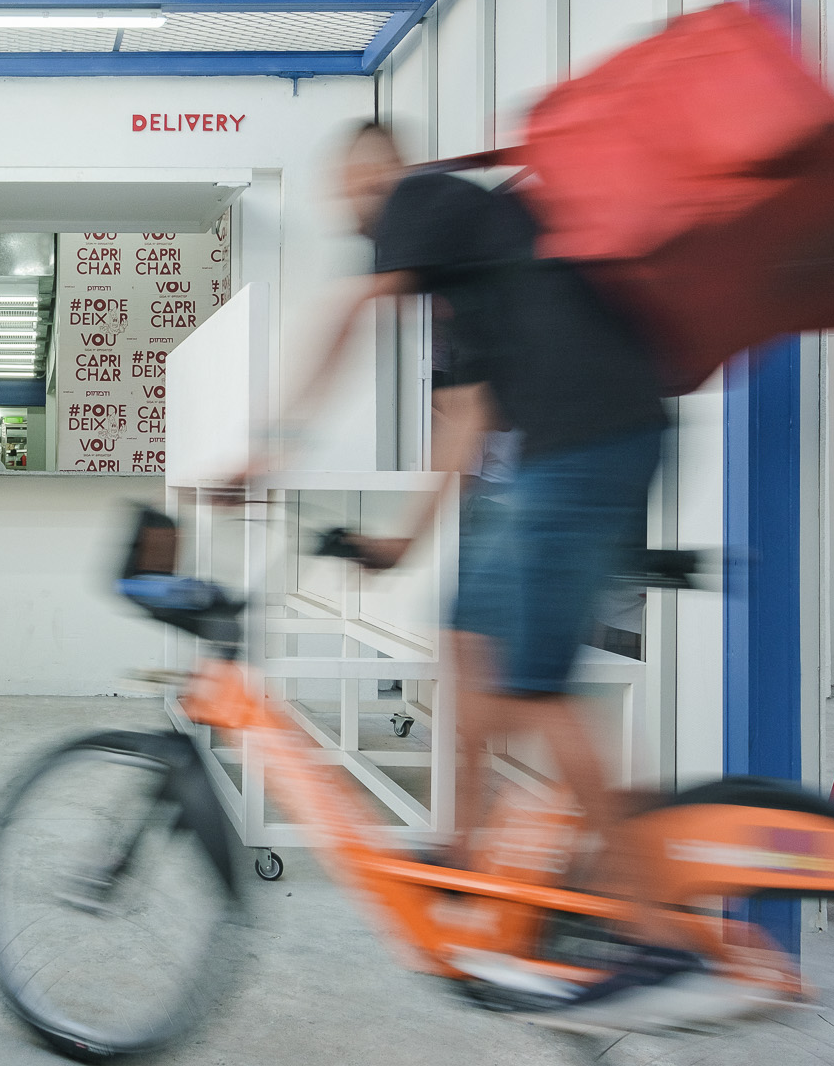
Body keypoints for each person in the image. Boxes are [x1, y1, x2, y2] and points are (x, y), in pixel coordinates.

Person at [263, 123, 667, 888]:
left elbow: (352, 315)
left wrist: (271, 443)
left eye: (358, 183)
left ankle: (650, 905)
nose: (353, 203)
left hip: (593, 442)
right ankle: (461, 848)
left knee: (534, 689)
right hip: (551, 457)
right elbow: (462, 426)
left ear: (387, 171)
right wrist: (403, 543)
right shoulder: (466, 292)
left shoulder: (420, 197)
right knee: (463, 638)